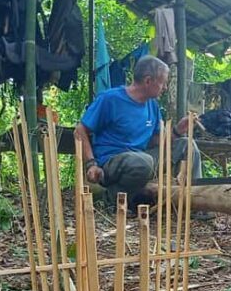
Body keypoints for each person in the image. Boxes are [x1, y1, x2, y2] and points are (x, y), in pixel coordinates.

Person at [74, 55, 203, 207]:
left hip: (142, 160)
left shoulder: (152, 105)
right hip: (112, 162)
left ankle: (195, 202)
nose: (165, 88)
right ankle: (111, 199)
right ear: (148, 81)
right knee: (143, 162)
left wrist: (177, 131)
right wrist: (91, 164)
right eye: (163, 83)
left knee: (187, 145)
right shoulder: (110, 99)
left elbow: (155, 142)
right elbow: (80, 131)